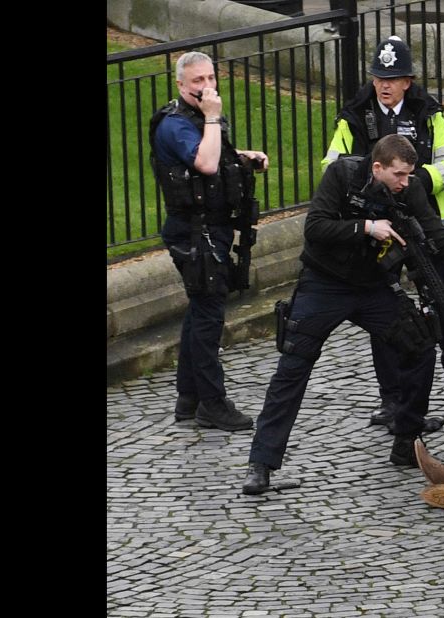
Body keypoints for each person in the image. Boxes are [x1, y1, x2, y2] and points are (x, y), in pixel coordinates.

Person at [241, 134, 444, 495]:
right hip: (324, 284)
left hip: (374, 286)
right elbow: (315, 227)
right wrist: (365, 227)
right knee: (293, 366)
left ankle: (406, 439)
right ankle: (261, 464)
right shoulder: (342, 176)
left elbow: (440, 237)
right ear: (377, 168)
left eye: (409, 175)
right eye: (399, 175)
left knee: (420, 343)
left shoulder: (410, 189)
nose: (406, 183)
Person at [322, 35, 444, 430]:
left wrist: (418, 180)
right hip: (377, 228)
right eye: (378, 78)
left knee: (443, 305)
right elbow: (332, 167)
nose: (384, 85)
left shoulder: (427, 112)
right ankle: (391, 398)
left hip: (424, 224)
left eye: (393, 78)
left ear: (408, 81)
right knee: (382, 314)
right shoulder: (355, 114)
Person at [149, 51, 269, 431]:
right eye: (197, 81)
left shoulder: (200, 118)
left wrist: (245, 156)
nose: (206, 87)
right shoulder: (176, 124)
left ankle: (189, 398)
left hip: (208, 229)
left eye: (210, 78)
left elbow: (216, 156)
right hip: (194, 233)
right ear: (181, 85)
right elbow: (205, 164)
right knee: (208, 316)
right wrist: (214, 117)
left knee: (200, 310)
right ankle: (212, 404)